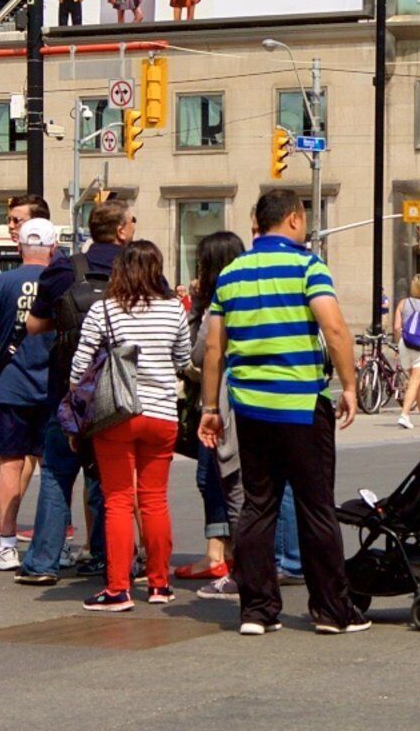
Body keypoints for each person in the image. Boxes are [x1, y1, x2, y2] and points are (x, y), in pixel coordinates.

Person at [198, 185, 361, 636]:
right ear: (292, 219)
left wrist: (211, 407)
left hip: (250, 409)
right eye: (304, 218)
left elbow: (214, 348)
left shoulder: (230, 274)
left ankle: (257, 610)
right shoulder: (308, 265)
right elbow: (334, 328)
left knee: (257, 505)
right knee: (315, 508)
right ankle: (331, 610)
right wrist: (349, 385)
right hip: (301, 405)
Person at [68, 238, 193, 609]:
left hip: (117, 415)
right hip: (162, 416)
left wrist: (76, 405)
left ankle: (118, 588)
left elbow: (79, 366)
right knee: (155, 500)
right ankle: (159, 585)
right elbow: (183, 360)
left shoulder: (104, 309)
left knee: (118, 500)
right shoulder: (174, 310)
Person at [20, 200, 139, 585]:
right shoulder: (139, 268)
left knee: (56, 472)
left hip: (69, 392)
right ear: (121, 231)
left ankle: (42, 563)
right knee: (111, 477)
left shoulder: (65, 269)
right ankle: (111, 558)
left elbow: (34, 324)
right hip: (123, 391)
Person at [0, 210, 55, 564]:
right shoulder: (62, 283)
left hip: (12, 385)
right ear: (53, 247)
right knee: (53, 467)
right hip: (54, 386)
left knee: (10, 464)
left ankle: (6, 542)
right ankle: (53, 543)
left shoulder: (1, 284)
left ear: (20, 246)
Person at [182, 228, 248, 594]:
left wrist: (194, 309)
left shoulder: (218, 303)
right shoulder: (253, 292)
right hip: (258, 403)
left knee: (224, 483)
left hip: (220, 405)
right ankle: (225, 556)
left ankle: (237, 565)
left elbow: (197, 354)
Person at [394, 275, 420, 431]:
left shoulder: (402, 303)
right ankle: (404, 415)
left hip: (405, 345)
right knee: (415, 381)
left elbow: (397, 328)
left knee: (416, 381)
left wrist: (398, 346)